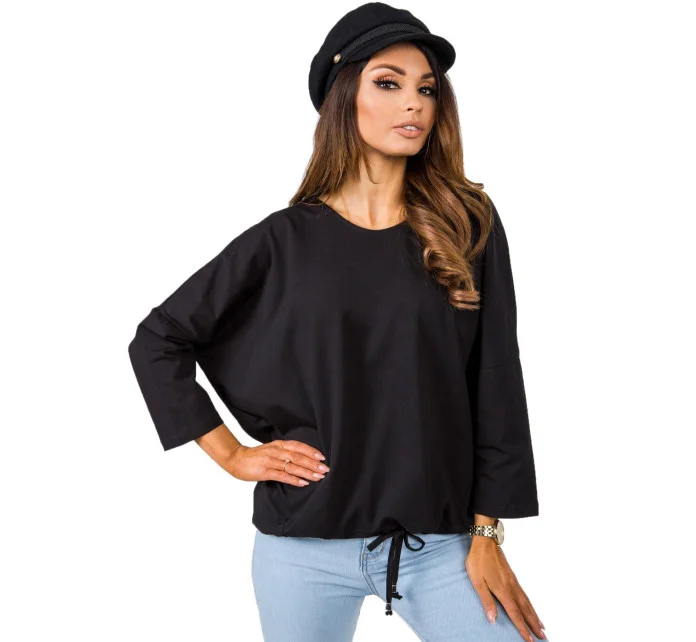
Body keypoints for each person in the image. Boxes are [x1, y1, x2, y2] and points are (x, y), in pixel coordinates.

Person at [127, 3, 546, 641]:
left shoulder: (466, 224)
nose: (414, 103)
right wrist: (233, 454)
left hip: (439, 547)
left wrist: (487, 533)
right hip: (301, 550)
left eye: (426, 88)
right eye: (389, 83)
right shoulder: (284, 240)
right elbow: (159, 339)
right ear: (343, 95)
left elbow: (496, 381)